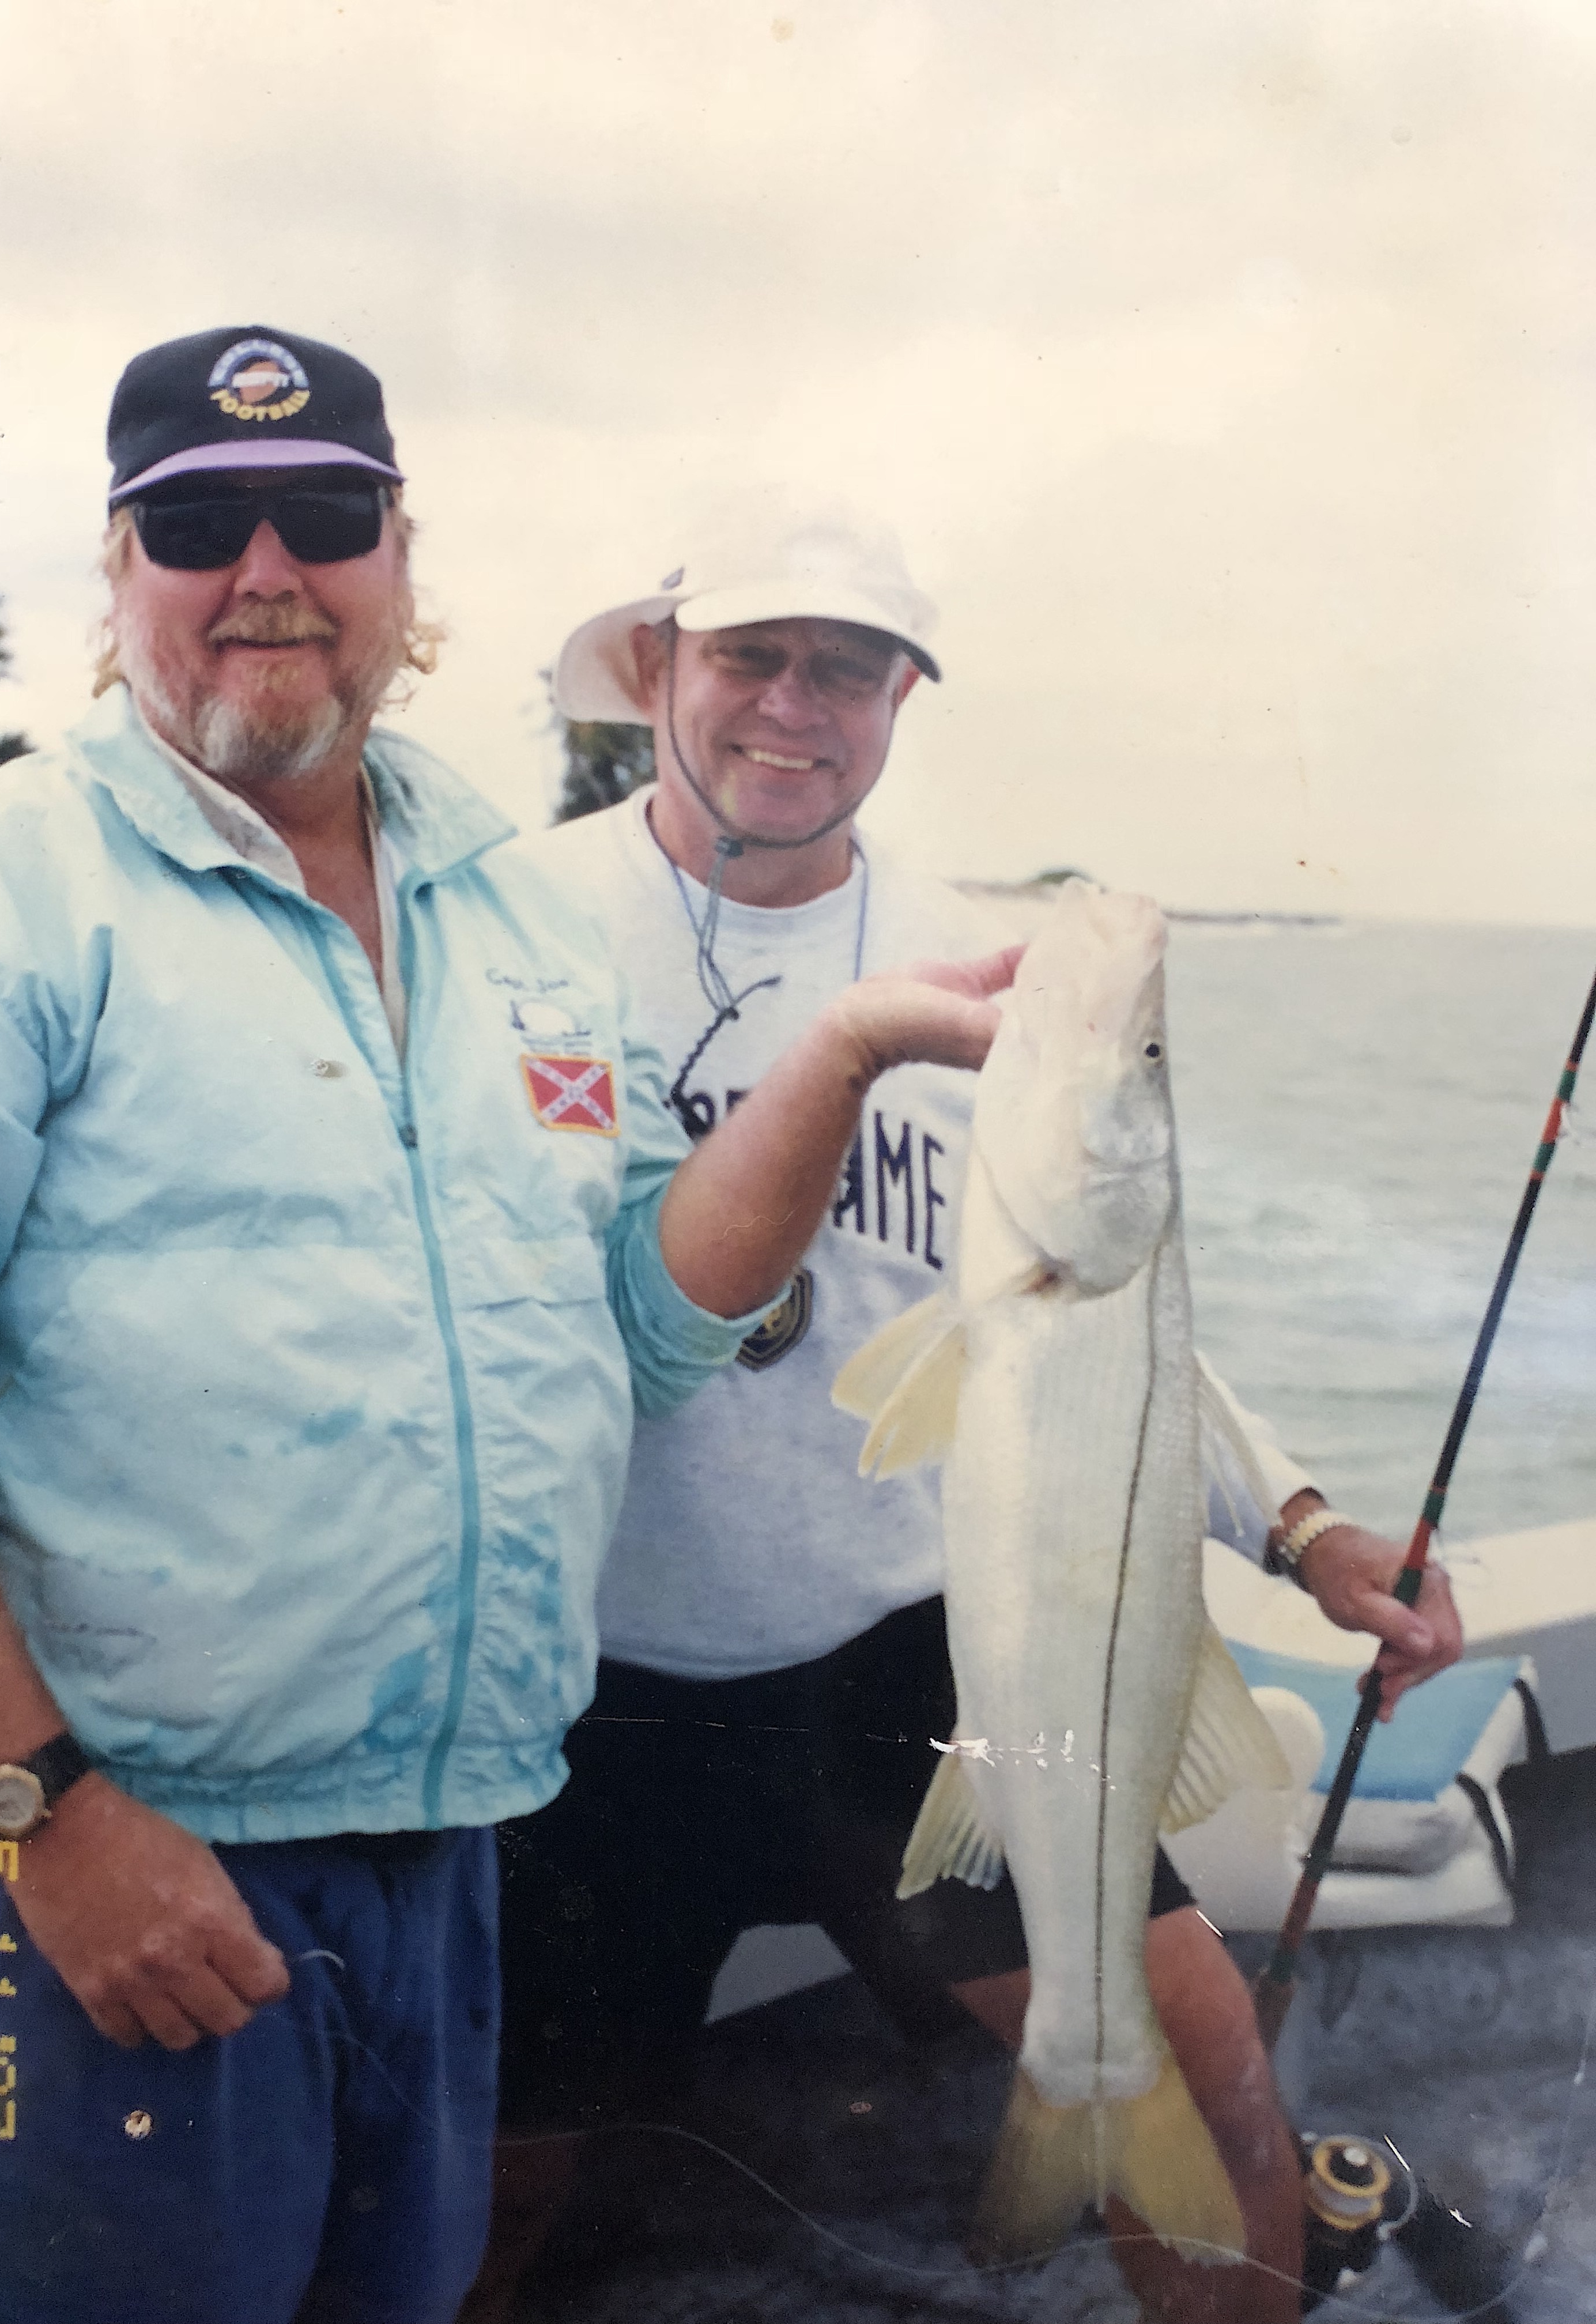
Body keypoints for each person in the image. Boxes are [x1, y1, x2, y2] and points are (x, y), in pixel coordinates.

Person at [0, 345, 1018, 2324]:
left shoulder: (517, 919)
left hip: (444, 1860)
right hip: (87, 1876)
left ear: (406, 560)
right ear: (118, 569)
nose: (270, 569)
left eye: (327, 516)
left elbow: (645, 1321)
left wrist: (836, 1045)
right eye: (201, 523)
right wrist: (39, 1814)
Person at [477, 505, 1466, 2324]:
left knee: (1211, 2077)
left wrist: (1309, 1525)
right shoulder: (501, 931)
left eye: (847, 668)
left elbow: (1101, 1308)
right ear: (655, 673)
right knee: (490, 2197)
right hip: (578, 1680)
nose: (795, 705)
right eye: (750, 657)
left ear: (905, 698)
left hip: (912, 1655)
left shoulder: (986, 970)